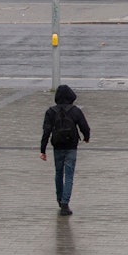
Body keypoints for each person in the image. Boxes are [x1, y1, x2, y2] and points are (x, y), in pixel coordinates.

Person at [39, 84, 91, 217]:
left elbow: (46, 132)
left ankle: (59, 198)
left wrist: (43, 150)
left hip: (57, 146)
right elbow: (85, 127)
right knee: (69, 175)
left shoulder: (50, 112)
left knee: (58, 173)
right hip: (71, 146)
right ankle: (65, 203)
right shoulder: (75, 111)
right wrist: (86, 137)